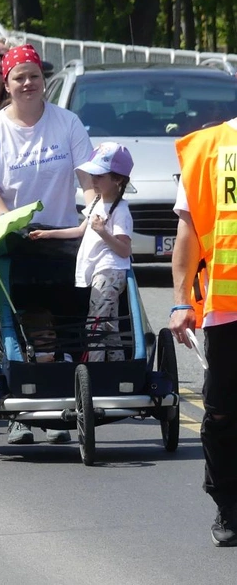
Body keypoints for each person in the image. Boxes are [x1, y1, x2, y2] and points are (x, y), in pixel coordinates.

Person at [0, 43, 94, 445]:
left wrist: (96, 212)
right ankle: (16, 408)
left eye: (34, 76)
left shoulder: (67, 122)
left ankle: (63, 402)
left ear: (44, 80)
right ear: (6, 84)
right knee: (17, 318)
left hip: (60, 237)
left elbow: (88, 178)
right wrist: (9, 220)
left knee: (64, 317)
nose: (27, 84)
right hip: (12, 239)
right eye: (19, 78)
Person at [169, 118, 237, 547]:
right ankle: (227, 503)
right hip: (228, 309)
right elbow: (189, 232)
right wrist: (181, 302)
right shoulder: (209, 148)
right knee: (222, 413)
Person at [30, 142, 133, 362]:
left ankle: (95, 369)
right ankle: (118, 369)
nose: (93, 180)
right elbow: (79, 231)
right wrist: (47, 234)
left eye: (100, 176)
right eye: (92, 175)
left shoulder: (121, 210)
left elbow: (125, 250)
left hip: (109, 271)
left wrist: (103, 232)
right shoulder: (97, 201)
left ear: (118, 180)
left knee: (95, 325)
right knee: (108, 325)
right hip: (100, 271)